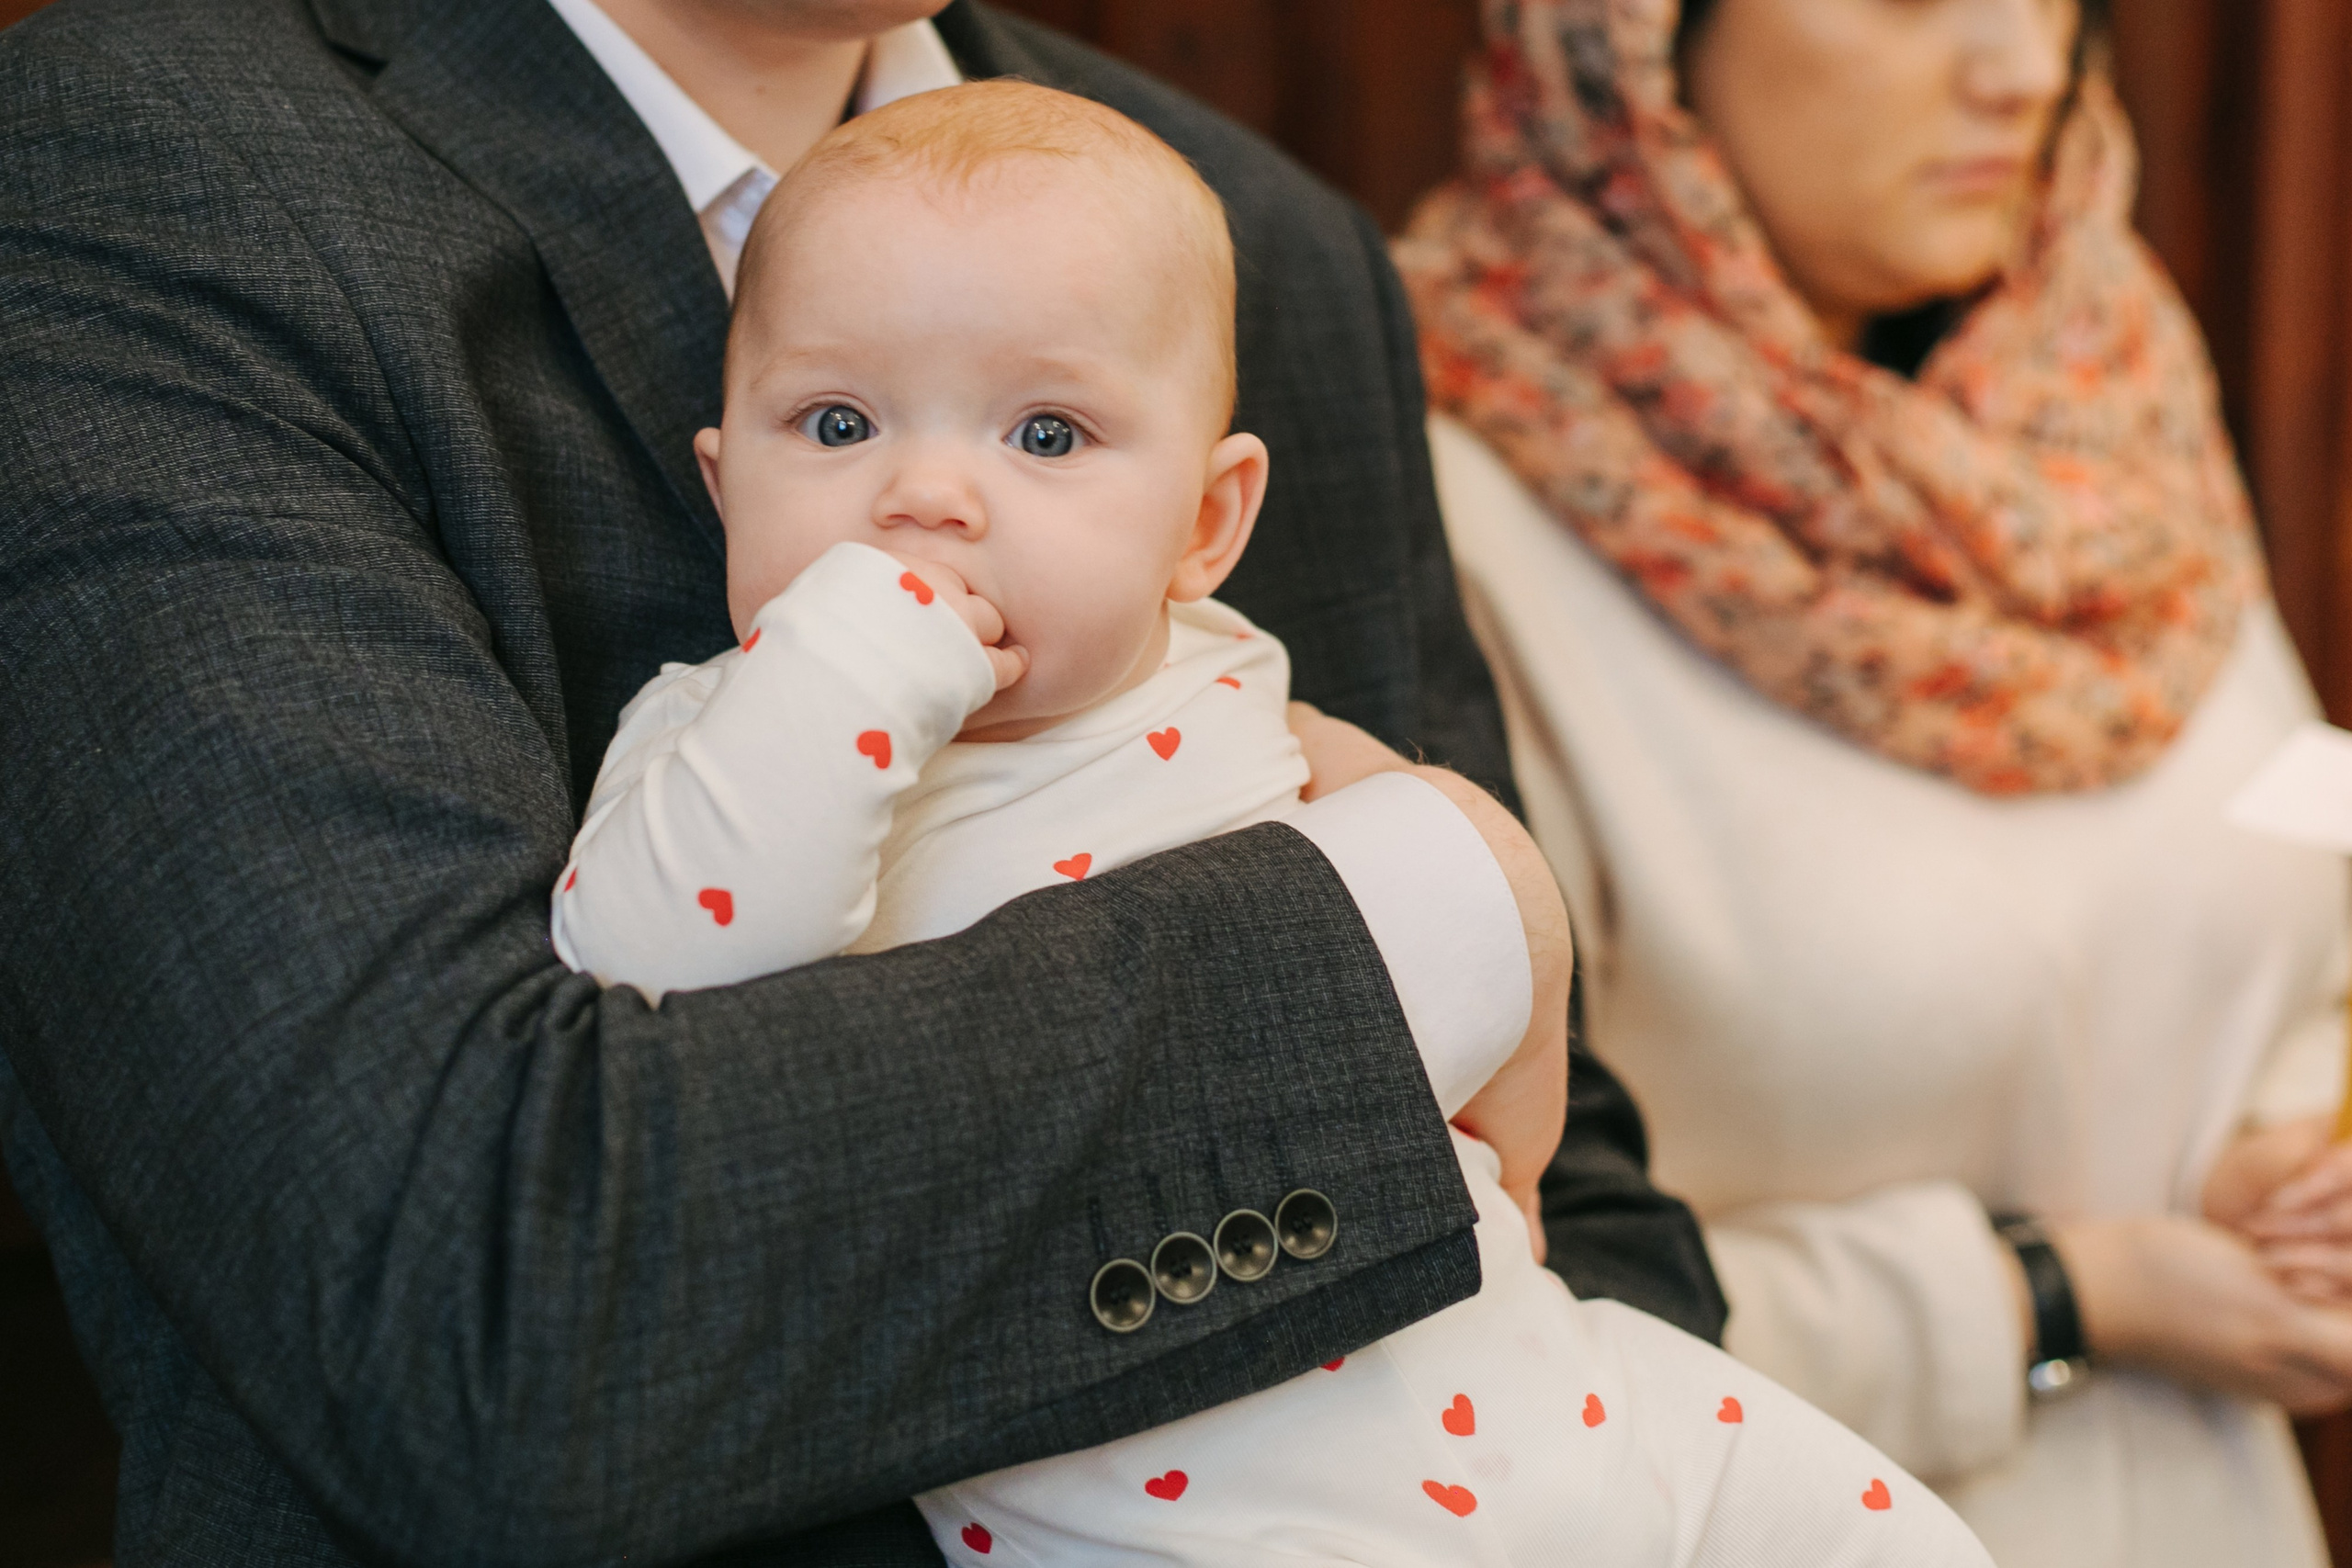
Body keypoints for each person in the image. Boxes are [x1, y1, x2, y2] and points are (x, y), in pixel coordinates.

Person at [0, 1, 1724, 1564]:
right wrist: (1435, 904)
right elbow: (479, 1310)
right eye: (831, 427)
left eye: (1049, 438)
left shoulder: (1256, 236)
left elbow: (1549, 1187)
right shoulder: (132, 167)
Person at [558, 79, 1995, 1566]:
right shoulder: (715, 742)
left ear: (1204, 525)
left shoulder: (1234, 672)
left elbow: (1489, 960)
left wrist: (1503, 1008)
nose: (925, 496)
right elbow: (657, 979)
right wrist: (842, 670)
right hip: (1205, 1521)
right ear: (726, 486)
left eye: (1045, 435)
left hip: (1541, 1393)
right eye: (837, 423)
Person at [1396, 0, 2352, 1562]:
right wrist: (2046, 1293)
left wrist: (2284, 1144)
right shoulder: (1444, 514)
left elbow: (2296, 888)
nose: (2024, 67)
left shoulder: (2099, 412)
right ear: (1634, 46)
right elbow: (1466, 1307)